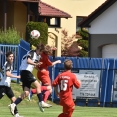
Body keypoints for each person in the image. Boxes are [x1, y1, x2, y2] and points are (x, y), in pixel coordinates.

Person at [9, 44, 51, 116]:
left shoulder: (38, 56)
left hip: (25, 73)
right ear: (38, 50)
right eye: (41, 52)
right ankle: (41, 102)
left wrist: (38, 68)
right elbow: (28, 61)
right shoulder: (32, 52)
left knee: (26, 92)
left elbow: (34, 65)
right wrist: (36, 63)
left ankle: (13, 104)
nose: (41, 53)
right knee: (38, 85)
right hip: (26, 72)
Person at [0, 51, 22, 117]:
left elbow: (2, 71)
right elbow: (7, 74)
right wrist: (17, 76)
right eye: (10, 56)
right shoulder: (8, 64)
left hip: (7, 86)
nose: (12, 58)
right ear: (7, 58)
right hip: (3, 86)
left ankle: (16, 114)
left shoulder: (7, 64)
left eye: (12, 56)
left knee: (13, 100)